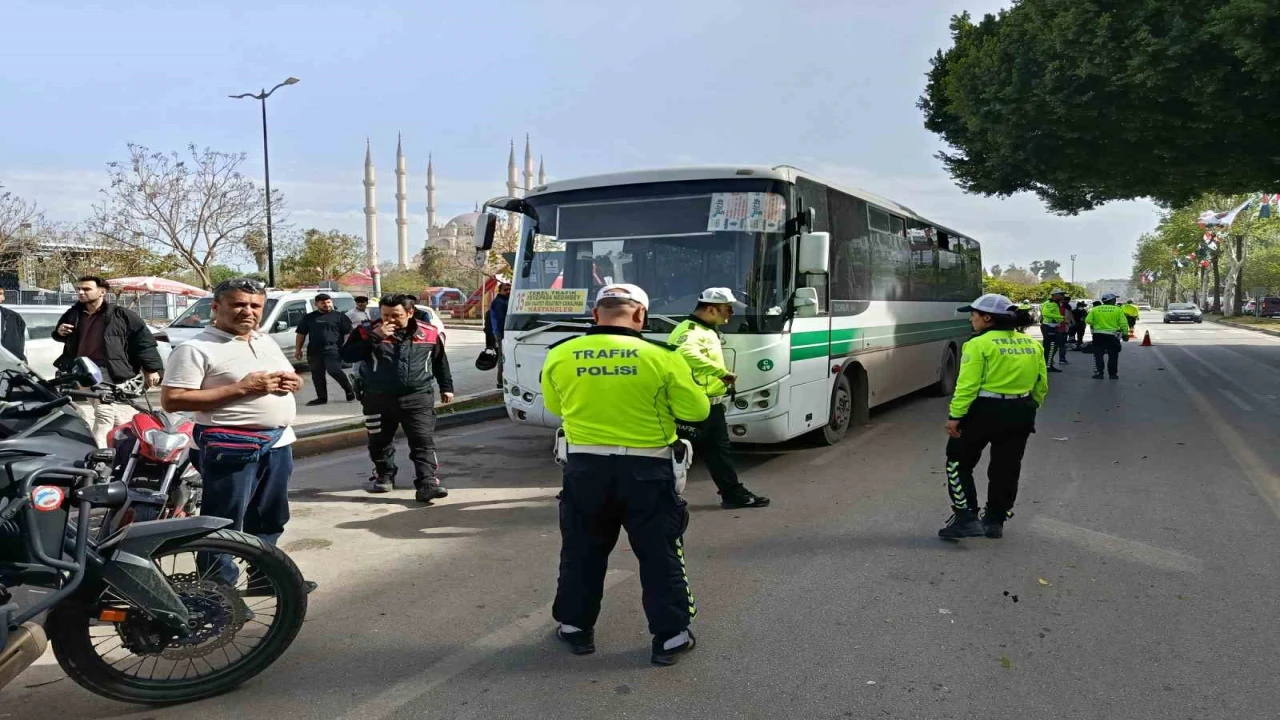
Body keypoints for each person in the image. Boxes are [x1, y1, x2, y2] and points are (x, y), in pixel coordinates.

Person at [543, 283, 709, 666]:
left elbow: (556, 406)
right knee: (659, 554)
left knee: (581, 552)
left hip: (585, 470)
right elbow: (696, 412)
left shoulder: (560, 354)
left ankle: (575, 629)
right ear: (640, 315)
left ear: (595, 314)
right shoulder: (661, 356)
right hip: (647, 472)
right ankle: (670, 638)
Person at [160, 278, 316, 592]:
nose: (248, 311)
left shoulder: (264, 341)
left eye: (255, 305)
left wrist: (293, 384)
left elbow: (290, 376)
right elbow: (173, 399)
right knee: (223, 524)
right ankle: (218, 592)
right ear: (216, 307)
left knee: (270, 518)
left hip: (277, 443)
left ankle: (266, 578)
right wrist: (243, 388)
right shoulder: (195, 348)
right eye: (239, 304)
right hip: (229, 448)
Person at [939, 294, 1047, 540]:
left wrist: (955, 416)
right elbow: (1041, 384)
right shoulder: (1031, 344)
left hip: (983, 410)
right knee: (1006, 467)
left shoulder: (978, 344)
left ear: (987, 318)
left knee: (958, 462)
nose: (971, 318)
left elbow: (967, 386)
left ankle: (966, 517)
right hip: (1021, 410)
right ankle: (995, 520)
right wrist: (1030, 406)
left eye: (974, 314)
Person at [342, 293, 454, 502]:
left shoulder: (429, 333)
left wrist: (446, 387)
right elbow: (347, 355)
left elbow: (440, 362)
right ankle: (384, 475)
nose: (389, 320)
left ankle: (427, 482)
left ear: (410, 313)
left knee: (422, 440)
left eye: (396, 315)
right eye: (385, 315)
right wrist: (376, 337)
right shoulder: (366, 331)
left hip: (418, 396)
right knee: (379, 441)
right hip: (376, 398)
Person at [668, 287, 769, 509]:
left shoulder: (706, 329)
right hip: (695, 405)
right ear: (712, 309)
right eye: (728, 310)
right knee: (679, 454)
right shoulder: (690, 331)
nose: (730, 315)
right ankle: (662, 498)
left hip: (709, 403)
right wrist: (720, 372)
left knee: (717, 453)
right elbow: (684, 352)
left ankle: (733, 494)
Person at [53, 275, 164, 446]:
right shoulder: (73, 313)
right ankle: (132, 441)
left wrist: (151, 369)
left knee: (103, 412)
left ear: (102, 292)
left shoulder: (120, 315)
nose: (81, 292)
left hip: (106, 370)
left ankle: (98, 451)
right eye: (79, 289)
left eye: (87, 289)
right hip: (81, 370)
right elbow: (60, 336)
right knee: (108, 410)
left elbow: (144, 342)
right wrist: (60, 332)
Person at [295, 293, 355, 406]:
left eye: (328, 302)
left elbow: (349, 333)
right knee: (317, 375)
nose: (327, 305)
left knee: (334, 370)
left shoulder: (340, 316)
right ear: (316, 304)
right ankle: (322, 398)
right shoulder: (309, 317)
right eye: (323, 303)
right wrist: (298, 349)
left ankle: (349, 389)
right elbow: (301, 334)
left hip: (333, 349)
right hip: (314, 351)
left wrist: (348, 347)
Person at [1086, 293, 1129, 380]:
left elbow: (1088, 320)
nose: (1115, 301)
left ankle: (1099, 373)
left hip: (1098, 335)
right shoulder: (1118, 310)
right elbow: (1123, 323)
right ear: (1111, 300)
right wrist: (1125, 334)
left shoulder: (1095, 309)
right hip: (1112, 336)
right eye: (1114, 299)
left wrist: (1097, 324)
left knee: (1098, 355)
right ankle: (1112, 375)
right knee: (1113, 355)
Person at [1038, 290, 1068, 373]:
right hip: (1049, 327)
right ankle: (1048, 365)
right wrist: (1062, 318)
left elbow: (1052, 314)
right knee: (1051, 347)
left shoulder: (1052, 303)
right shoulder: (1050, 303)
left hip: (1051, 327)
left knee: (1051, 347)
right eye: (1061, 294)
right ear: (1055, 295)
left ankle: (1047, 364)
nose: (1063, 296)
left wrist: (1061, 320)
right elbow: (1046, 313)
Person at [488, 281, 511, 389]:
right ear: (500, 291)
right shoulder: (499, 302)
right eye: (505, 290)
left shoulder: (506, 301)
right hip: (501, 333)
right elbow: (501, 320)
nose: (508, 292)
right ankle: (500, 382)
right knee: (503, 358)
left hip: (504, 333)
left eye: (509, 289)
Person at [0, 287, 27, 361]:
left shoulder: (13, 317)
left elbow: (18, 346)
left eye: (2, 294)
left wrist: (20, 362)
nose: (3, 298)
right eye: (1, 294)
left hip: (6, 365)